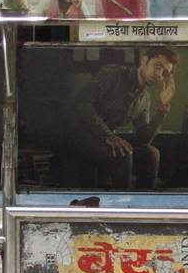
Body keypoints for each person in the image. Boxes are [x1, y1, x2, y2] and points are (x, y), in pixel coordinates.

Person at [51, 47, 178, 190]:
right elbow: (82, 102)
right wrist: (110, 136)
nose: (159, 74)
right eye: (157, 66)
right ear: (144, 61)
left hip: (102, 139)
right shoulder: (113, 73)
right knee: (122, 154)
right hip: (76, 134)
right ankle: (122, 205)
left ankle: (142, 204)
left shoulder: (145, 99)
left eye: (164, 72)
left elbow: (144, 138)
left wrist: (161, 111)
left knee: (152, 153)